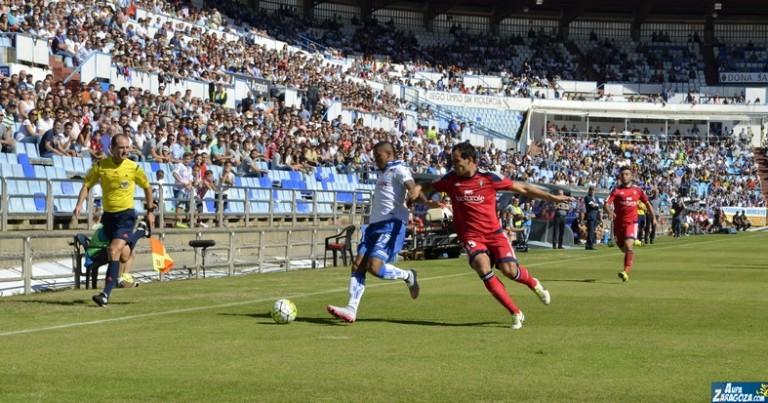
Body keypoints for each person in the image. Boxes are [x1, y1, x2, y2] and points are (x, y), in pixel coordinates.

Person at [430, 142, 573, 329]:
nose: (453, 165)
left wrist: (552, 198)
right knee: (483, 267)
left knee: (510, 271)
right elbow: (428, 185)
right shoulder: (450, 179)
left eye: (457, 161)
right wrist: (417, 190)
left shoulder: (489, 178)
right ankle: (515, 312)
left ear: (470, 160)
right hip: (471, 237)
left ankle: (533, 283)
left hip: (494, 234)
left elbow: (523, 189)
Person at [326, 141, 428, 323]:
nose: (375, 160)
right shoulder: (384, 174)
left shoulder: (399, 168)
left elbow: (412, 186)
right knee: (358, 265)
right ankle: (351, 309)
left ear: (389, 154)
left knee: (374, 267)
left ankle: (408, 275)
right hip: (374, 226)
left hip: (391, 224)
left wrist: (424, 200)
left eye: (378, 156)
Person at [74, 133, 155, 307]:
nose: (125, 151)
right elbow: (87, 185)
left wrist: (150, 212)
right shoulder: (101, 166)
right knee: (124, 254)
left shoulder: (133, 167)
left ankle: (105, 294)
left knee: (113, 250)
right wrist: (79, 204)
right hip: (109, 217)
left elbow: (148, 188)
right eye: (121, 147)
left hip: (126, 216)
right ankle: (141, 231)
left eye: (127, 147)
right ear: (111, 149)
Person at [603, 166, 656, 283]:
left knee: (628, 246)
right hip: (618, 225)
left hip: (632, 223)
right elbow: (606, 204)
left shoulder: (637, 191)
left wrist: (654, 218)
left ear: (631, 176)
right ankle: (632, 242)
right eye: (622, 174)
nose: (624, 176)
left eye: (627, 174)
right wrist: (610, 212)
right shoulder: (616, 191)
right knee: (623, 249)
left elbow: (647, 203)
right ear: (620, 177)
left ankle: (625, 271)